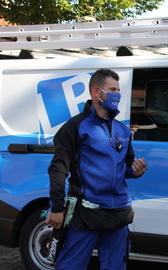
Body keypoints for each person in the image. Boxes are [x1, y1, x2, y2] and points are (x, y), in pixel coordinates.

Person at [46, 68, 146, 270]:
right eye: (112, 89)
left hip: (119, 212)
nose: (117, 94)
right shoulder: (76, 126)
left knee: (115, 267)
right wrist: (57, 208)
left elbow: (125, 166)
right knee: (70, 266)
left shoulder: (123, 130)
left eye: (118, 89)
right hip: (86, 212)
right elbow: (58, 170)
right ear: (96, 92)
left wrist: (134, 171)